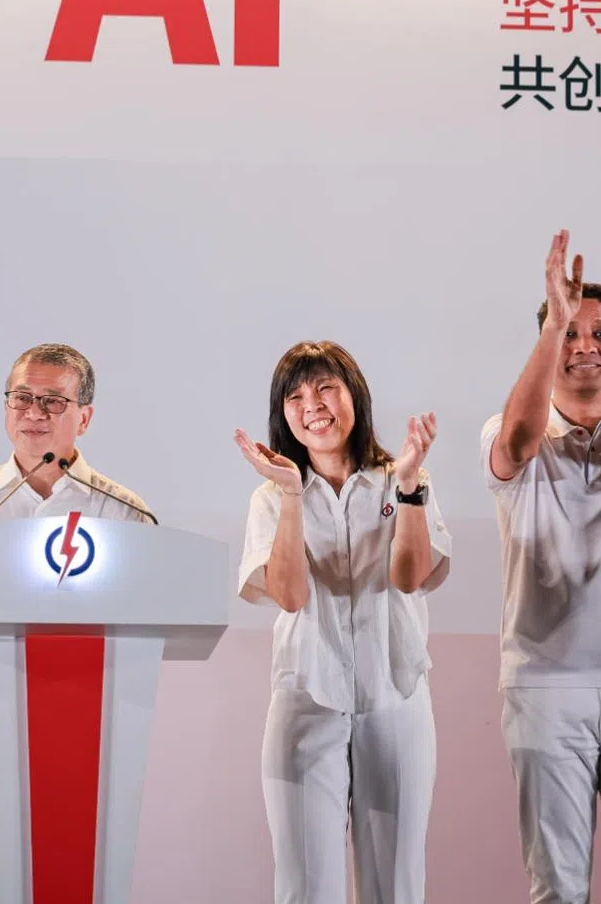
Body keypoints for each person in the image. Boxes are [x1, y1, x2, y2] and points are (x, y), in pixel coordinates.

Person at [0, 343, 150, 904]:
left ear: (85, 417)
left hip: (85, 728)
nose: (33, 412)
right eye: (22, 397)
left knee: (73, 875)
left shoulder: (123, 512)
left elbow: (153, 605)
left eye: (52, 401)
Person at [235, 340, 450, 904]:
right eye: (296, 395)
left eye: (326, 386)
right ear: (282, 413)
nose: (313, 404)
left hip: (396, 697)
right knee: (304, 888)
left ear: (355, 393)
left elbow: (410, 577)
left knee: (396, 886)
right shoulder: (270, 496)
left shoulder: (404, 478)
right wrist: (288, 497)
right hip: (306, 701)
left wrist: (407, 489)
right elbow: (288, 593)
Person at [482, 230, 601, 904]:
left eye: (597, 331)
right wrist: (554, 321)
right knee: (558, 886)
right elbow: (518, 443)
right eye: (570, 331)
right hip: (547, 685)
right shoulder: (513, 431)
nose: (585, 344)